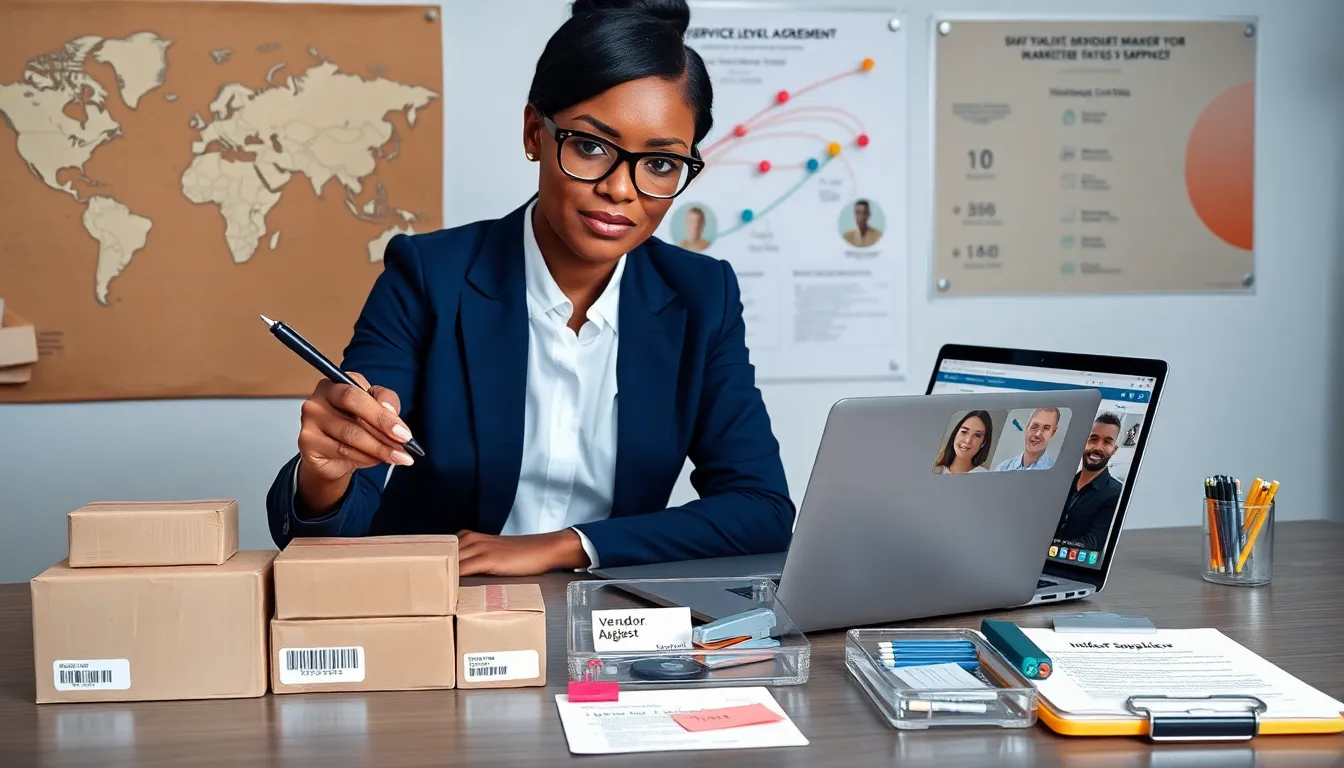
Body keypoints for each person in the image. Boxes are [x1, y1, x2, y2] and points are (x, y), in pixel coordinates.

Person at [264, 0, 794, 576]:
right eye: (591, 146)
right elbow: (345, 515)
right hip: (444, 612)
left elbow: (761, 508)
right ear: (533, 133)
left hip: (612, 619)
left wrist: (567, 545)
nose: (621, 189)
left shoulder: (701, 296)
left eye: (660, 164)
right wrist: (325, 474)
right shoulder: (428, 276)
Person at [1053, 413, 1124, 552]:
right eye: (1093, 439)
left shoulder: (1116, 494)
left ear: (1114, 450)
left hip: (1074, 568)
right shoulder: (1063, 483)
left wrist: (1046, 549)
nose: (1098, 447)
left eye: (1107, 442)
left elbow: (1093, 542)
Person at [994, 407, 1059, 471]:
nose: (1037, 434)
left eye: (1046, 428)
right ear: (1027, 426)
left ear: (1053, 433)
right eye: (1035, 426)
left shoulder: (1056, 474)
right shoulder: (1003, 468)